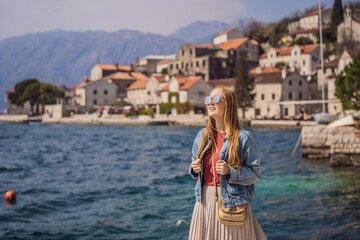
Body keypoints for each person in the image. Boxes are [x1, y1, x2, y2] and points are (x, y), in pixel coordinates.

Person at [188, 86, 267, 240]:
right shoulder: (201, 136)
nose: (210, 103)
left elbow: (255, 174)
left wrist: (230, 171)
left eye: (216, 99)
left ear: (228, 104)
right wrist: (194, 168)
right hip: (203, 203)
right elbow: (194, 166)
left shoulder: (243, 138)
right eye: (208, 99)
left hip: (231, 206)